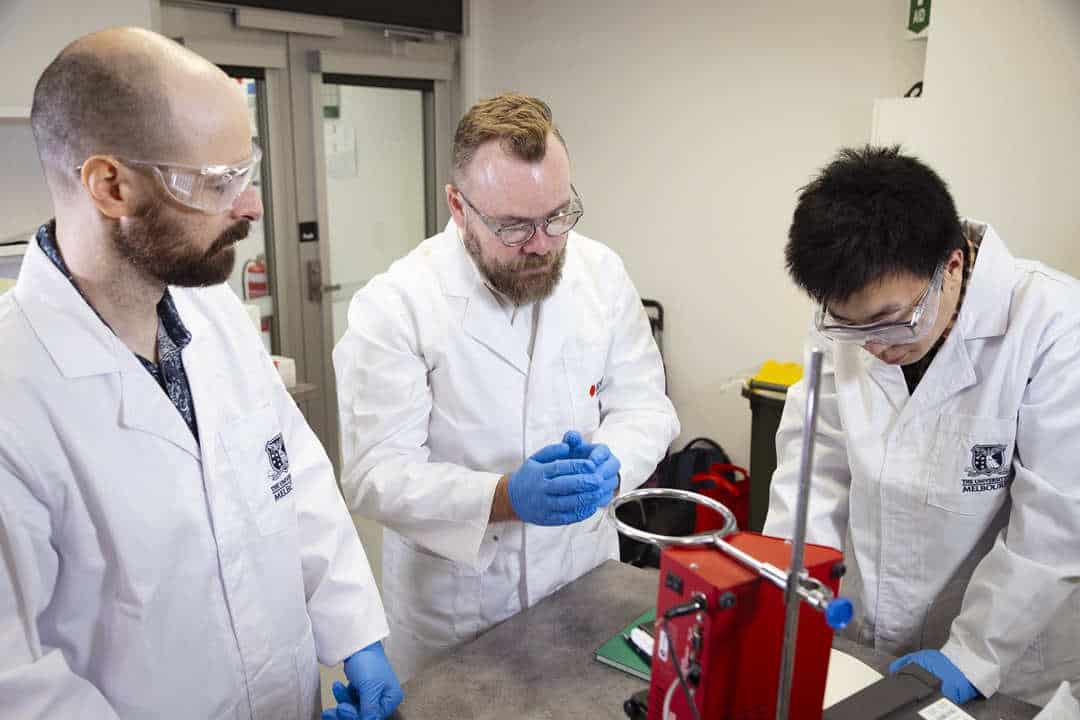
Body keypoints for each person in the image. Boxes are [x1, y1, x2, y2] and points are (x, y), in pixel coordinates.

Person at [0, 28, 402, 719]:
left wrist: (356, 633)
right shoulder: (16, 397)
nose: (251, 206)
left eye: (246, 172)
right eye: (219, 182)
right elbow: (18, 684)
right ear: (110, 185)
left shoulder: (212, 314)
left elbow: (293, 477)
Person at [332, 92, 679, 680]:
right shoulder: (397, 308)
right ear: (458, 206)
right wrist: (504, 498)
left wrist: (610, 465)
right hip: (458, 615)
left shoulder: (600, 274)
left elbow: (646, 406)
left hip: (581, 580)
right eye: (515, 226)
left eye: (558, 215)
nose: (543, 243)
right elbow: (373, 474)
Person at [765, 145, 1080, 706]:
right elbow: (813, 467)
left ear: (952, 266)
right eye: (850, 327)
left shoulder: (1054, 329)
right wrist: (792, 597)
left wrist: (972, 656)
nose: (876, 346)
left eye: (892, 321)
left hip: (1006, 668)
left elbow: (1053, 528)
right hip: (864, 641)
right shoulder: (852, 319)